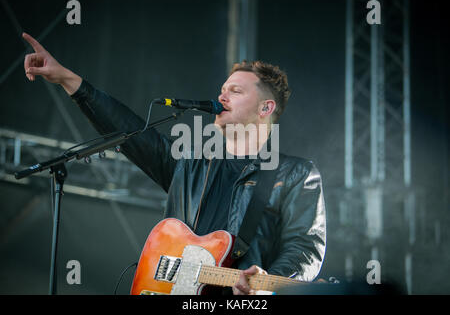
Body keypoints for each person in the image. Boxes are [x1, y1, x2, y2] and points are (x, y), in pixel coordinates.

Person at [22, 32, 326, 295]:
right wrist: (67, 79)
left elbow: (305, 248)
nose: (222, 95)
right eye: (223, 89)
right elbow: (129, 133)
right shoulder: (191, 163)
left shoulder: (295, 174)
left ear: (265, 107)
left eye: (235, 91)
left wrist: (267, 283)